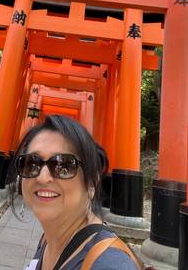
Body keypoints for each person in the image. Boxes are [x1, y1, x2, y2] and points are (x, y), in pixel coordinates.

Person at [9, 115, 140, 270]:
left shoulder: (109, 264)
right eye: (32, 163)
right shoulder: (48, 239)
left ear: (92, 180)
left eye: (63, 165)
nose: (42, 177)